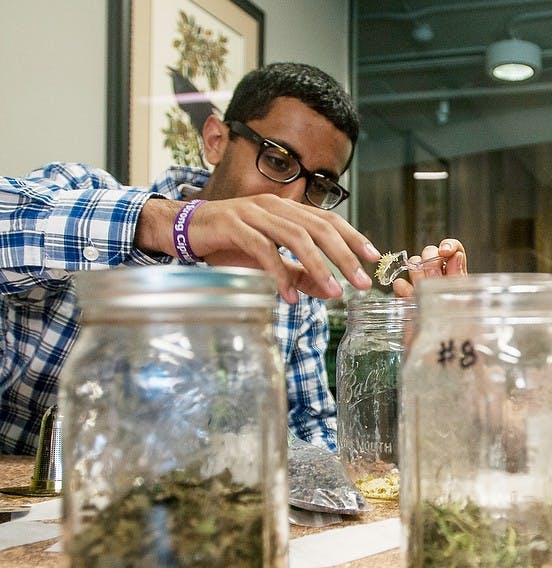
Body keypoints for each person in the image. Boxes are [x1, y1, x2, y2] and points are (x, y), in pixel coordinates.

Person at [0, 62, 466, 455]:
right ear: (217, 140)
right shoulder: (83, 194)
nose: (292, 197)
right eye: (279, 161)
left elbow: (314, 439)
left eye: (319, 185)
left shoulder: (298, 298)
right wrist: (173, 226)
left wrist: (424, 366)